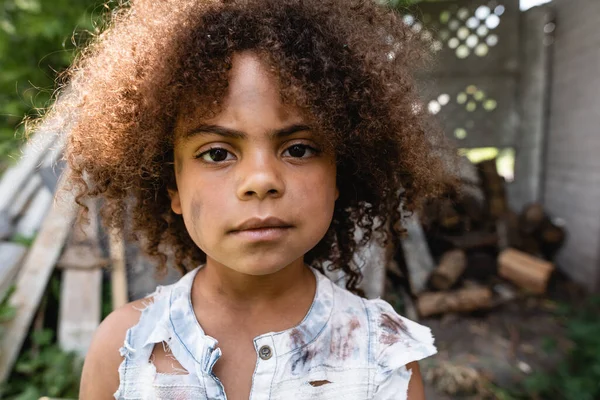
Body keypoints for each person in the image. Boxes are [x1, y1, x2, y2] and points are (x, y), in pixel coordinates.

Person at [42, 0, 454, 398]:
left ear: (339, 176)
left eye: (298, 148)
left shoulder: (383, 354)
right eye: (217, 153)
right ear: (172, 189)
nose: (261, 181)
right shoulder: (125, 349)